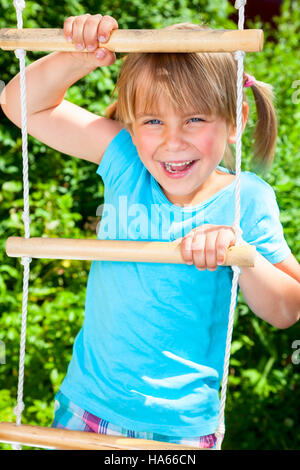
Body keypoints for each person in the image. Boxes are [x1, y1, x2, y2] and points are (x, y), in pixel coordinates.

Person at [1, 13, 300, 449]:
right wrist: (79, 56)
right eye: (153, 121)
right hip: (86, 409)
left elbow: (287, 308)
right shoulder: (126, 162)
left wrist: (242, 254)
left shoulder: (246, 199)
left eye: (195, 119)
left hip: (178, 432)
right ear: (131, 124)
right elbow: (21, 103)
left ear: (235, 118)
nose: (172, 142)